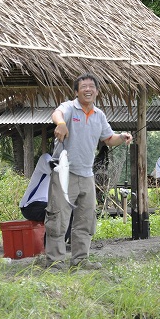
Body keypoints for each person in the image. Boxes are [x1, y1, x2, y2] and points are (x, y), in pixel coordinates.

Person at [45, 73, 133, 271]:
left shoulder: (99, 115)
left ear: (97, 91)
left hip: (87, 175)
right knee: (58, 219)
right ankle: (55, 263)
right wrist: (60, 124)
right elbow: (56, 114)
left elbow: (109, 139)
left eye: (92, 86)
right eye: (83, 86)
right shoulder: (69, 108)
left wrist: (122, 137)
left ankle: (80, 261)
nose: (88, 89)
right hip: (64, 173)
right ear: (76, 92)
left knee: (85, 221)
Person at [19, 153, 71, 243]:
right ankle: (52, 245)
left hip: (45, 205)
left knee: (71, 209)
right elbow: (55, 169)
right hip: (30, 206)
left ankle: (63, 241)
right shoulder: (45, 158)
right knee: (58, 211)